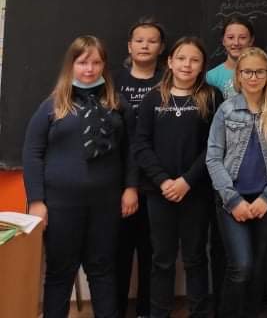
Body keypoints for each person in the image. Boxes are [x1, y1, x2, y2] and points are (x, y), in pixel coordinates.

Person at [23, 35, 137, 318]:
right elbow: (32, 153)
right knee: (60, 271)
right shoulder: (53, 105)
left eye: (96, 63)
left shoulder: (117, 105)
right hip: (61, 204)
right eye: (83, 62)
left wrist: (131, 188)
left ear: (104, 66)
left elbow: (132, 151)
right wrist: (36, 201)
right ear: (71, 65)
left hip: (106, 203)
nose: (89, 69)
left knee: (103, 269)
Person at [133, 37, 222, 318]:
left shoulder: (212, 97)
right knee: (162, 259)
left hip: (196, 191)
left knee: (195, 258)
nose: (187, 65)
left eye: (194, 60)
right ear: (170, 62)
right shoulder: (153, 98)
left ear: (202, 66)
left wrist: (187, 181)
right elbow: (141, 144)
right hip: (159, 192)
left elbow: (214, 146)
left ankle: (199, 313)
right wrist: (163, 180)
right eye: (181, 58)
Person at [206, 47, 267, 318]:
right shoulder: (226, 110)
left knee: (257, 266)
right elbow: (213, 158)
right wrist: (232, 200)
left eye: (259, 72)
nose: (253, 77)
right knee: (241, 266)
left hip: (265, 201)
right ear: (238, 76)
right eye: (247, 72)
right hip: (232, 201)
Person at [113, 17, 166, 318]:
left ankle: (146, 310)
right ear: (129, 46)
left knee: (152, 252)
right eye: (139, 40)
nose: (145, 45)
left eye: (152, 41)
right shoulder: (112, 81)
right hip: (118, 181)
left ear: (161, 48)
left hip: (158, 181)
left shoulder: (169, 81)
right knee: (118, 251)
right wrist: (126, 184)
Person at [206, 16, 256, 98]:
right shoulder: (211, 77)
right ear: (223, 41)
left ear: (251, 41)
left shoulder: (261, 73)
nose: (236, 43)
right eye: (230, 37)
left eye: (242, 38)